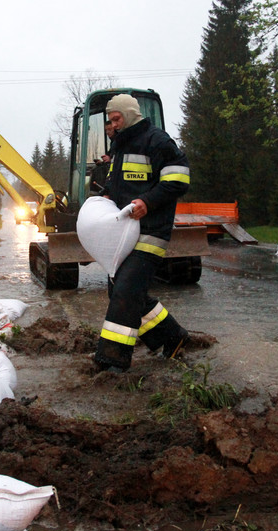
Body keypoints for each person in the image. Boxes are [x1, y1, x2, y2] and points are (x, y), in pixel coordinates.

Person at [93, 94, 191, 371]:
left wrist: (147, 202)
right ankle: (173, 337)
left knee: (125, 290)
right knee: (121, 289)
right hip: (125, 232)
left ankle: (112, 361)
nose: (112, 125)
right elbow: (120, 186)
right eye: (109, 121)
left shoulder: (157, 141)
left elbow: (179, 179)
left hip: (151, 230)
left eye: (116, 119)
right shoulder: (119, 147)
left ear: (130, 115)